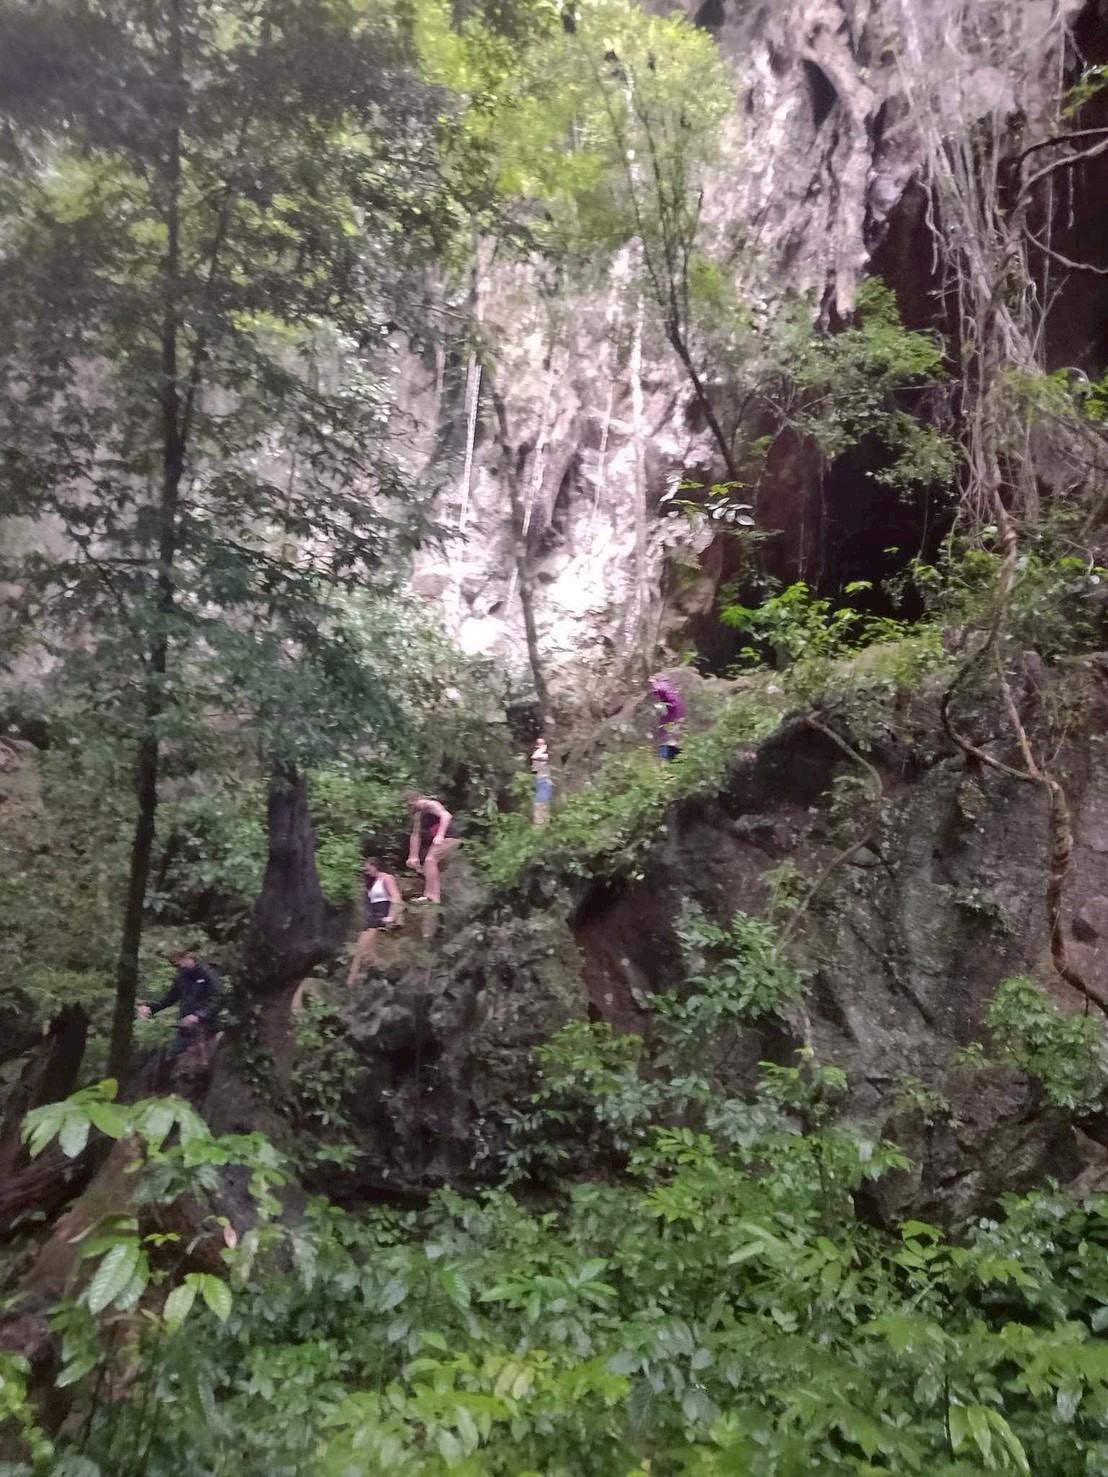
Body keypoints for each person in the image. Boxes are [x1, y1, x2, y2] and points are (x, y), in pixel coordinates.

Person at [136, 948, 220, 1059]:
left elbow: (217, 998)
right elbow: (169, 999)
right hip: (185, 1031)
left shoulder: (207, 973)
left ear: (187, 957)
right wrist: (149, 1007)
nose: (178, 967)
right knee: (170, 1060)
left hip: (206, 1030)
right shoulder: (181, 978)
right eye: (175, 965)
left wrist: (198, 1016)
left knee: (203, 1063)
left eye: (178, 964)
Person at [346, 856, 403, 988]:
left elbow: (396, 898)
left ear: (375, 866)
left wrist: (392, 916)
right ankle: (369, 976)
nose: (366, 871)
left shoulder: (386, 878)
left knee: (362, 945)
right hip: (373, 915)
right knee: (365, 947)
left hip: (383, 913)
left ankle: (352, 978)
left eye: (368, 868)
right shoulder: (371, 882)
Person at [406, 794, 460, 904]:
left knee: (430, 860)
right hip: (439, 840)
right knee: (428, 863)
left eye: (413, 804)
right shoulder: (418, 814)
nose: (413, 807)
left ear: (418, 799)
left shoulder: (431, 804)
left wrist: (440, 835)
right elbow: (415, 835)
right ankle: (429, 894)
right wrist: (413, 856)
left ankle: (433, 895)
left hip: (449, 837)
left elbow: (446, 815)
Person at [649, 675, 685, 761]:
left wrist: (653, 682)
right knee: (670, 736)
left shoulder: (666, 689)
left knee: (666, 737)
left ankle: (666, 759)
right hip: (674, 718)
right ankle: (674, 759)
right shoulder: (674, 693)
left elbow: (661, 689)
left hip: (671, 717)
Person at [531, 736, 553, 826]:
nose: (539, 746)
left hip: (544, 783)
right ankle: (543, 827)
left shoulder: (545, 755)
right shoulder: (537, 759)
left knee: (540, 805)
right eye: (538, 744)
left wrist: (541, 748)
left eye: (541, 744)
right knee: (542, 806)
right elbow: (534, 770)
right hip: (539, 783)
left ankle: (540, 827)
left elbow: (535, 757)